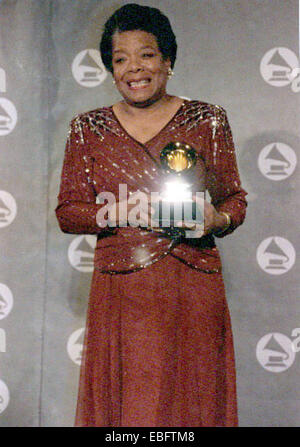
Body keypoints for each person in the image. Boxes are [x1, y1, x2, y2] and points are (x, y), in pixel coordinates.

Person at [55, 3, 247, 427]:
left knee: (193, 406)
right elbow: (68, 214)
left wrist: (216, 220)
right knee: (129, 411)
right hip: (122, 290)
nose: (133, 68)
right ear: (110, 69)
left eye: (146, 54)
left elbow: (234, 200)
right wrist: (115, 211)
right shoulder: (88, 129)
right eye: (120, 59)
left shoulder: (207, 120)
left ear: (168, 61)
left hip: (191, 285)